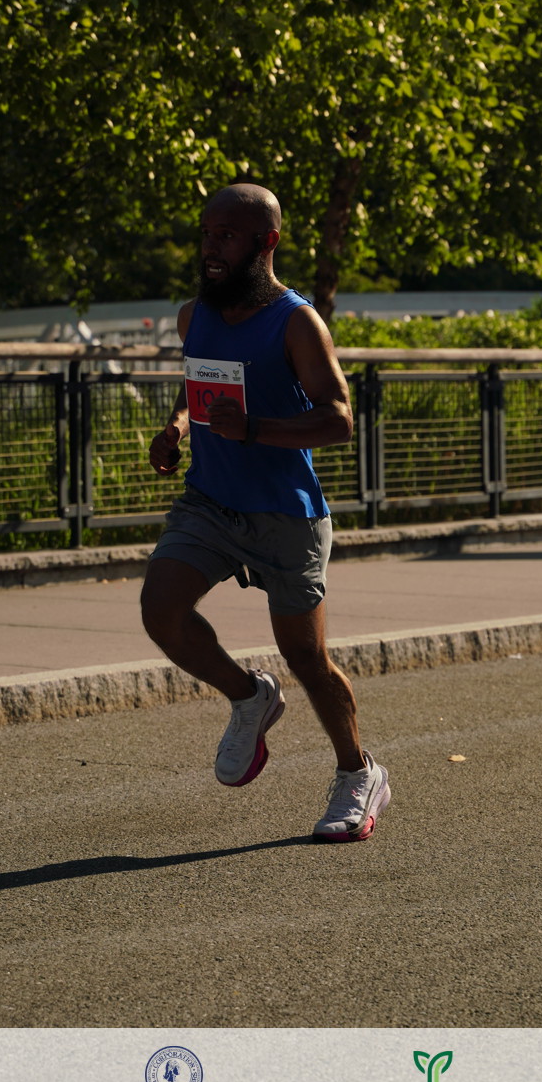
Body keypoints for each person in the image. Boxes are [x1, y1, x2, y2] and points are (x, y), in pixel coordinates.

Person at [141, 182, 391, 843]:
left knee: (306, 656)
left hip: (285, 512)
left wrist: (253, 429)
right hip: (211, 502)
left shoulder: (297, 322)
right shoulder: (194, 316)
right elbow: (196, 389)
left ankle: (358, 771)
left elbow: (338, 419)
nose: (211, 248)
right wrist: (176, 429)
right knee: (161, 609)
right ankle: (250, 696)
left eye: (227, 236)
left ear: (267, 241)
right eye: (206, 234)